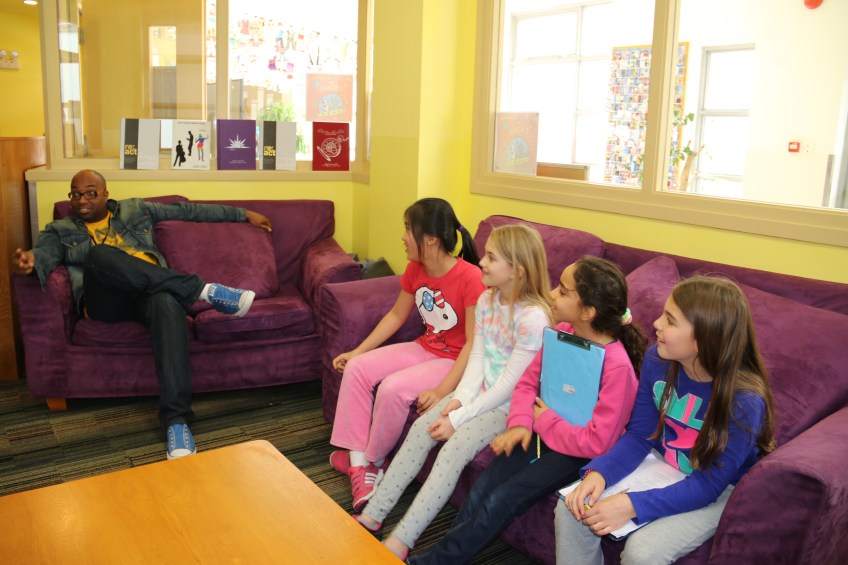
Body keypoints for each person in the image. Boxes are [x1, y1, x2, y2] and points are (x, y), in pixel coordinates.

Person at [10, 169, 273, 460]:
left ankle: (176, 421)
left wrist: (243, 214)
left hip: (149, 293)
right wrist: (30, 262)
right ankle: (202, 290)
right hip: (106, 302)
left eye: (90, 193)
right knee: (99, 254)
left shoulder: (135, 209)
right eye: (76, 194)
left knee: (166, 302)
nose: (82, 200)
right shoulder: (60, 229)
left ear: (106, 194)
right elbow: (43, 254)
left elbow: (188, 210)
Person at [409, 256, 648, 564]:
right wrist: (521, 423)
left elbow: (597, 442)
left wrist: (543, 421)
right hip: (541, 431)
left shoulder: (617, 368)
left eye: (563, 291)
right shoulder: (562, 332)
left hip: (578, 453)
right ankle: (443, 556)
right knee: (484, 487)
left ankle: (431, 562)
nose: (551, 294)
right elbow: (527, 383)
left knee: (503, 498)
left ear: (588, 312)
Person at [354, 224, 554, 560]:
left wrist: (459, 418)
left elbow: (508, 385)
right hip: (477, 394)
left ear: (517, 271)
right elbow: (478, 356)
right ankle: (374, 514)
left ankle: (402, 539)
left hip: (508, 407)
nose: (482, 262)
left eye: (491, 257)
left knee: (453, 450)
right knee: (422, 428)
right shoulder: (488, 298)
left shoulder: (534, 319)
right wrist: (459, 399)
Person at [557, 276, 776, 565]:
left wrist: (632, 505)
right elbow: (639, 436)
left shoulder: (745, 401)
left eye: (670, 320)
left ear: (705, 338)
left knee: (642, 552)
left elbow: (708, 485)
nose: (656, 324)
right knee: (571, 507)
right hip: (662, 463)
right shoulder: (657, 360)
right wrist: (600, 473)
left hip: (719, 488)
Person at [328, 198, 485, 512]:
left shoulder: (471, 278)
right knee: (357, 368)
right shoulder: (416, 268)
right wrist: (357, 351)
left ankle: (371, 461)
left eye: (408, 230)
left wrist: (442, 391)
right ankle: (361, 464)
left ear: (431, 239)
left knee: (393, 388)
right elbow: (396, 315)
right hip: (424, 347)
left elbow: (473, 344)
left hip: (453, 361)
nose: (402, 237)